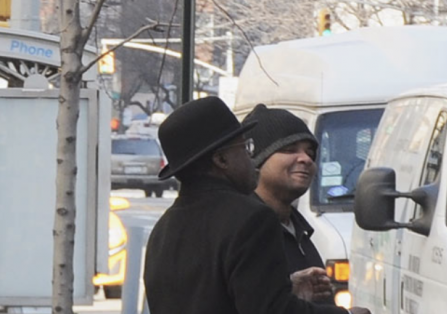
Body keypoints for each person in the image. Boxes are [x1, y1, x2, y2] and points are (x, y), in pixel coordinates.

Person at [143, 97, 369, 314]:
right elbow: (271, 311)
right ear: (221, 160)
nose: (251, 158)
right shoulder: (250, 218)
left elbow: (215, 297)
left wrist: (284, 288)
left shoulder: (163, 229)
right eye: (243, 148)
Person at [245, 104, 333, 302]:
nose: (305, 159)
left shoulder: (300, 230)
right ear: (256, 160)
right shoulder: (244, 230)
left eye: (310, 153)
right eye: (289, 149)